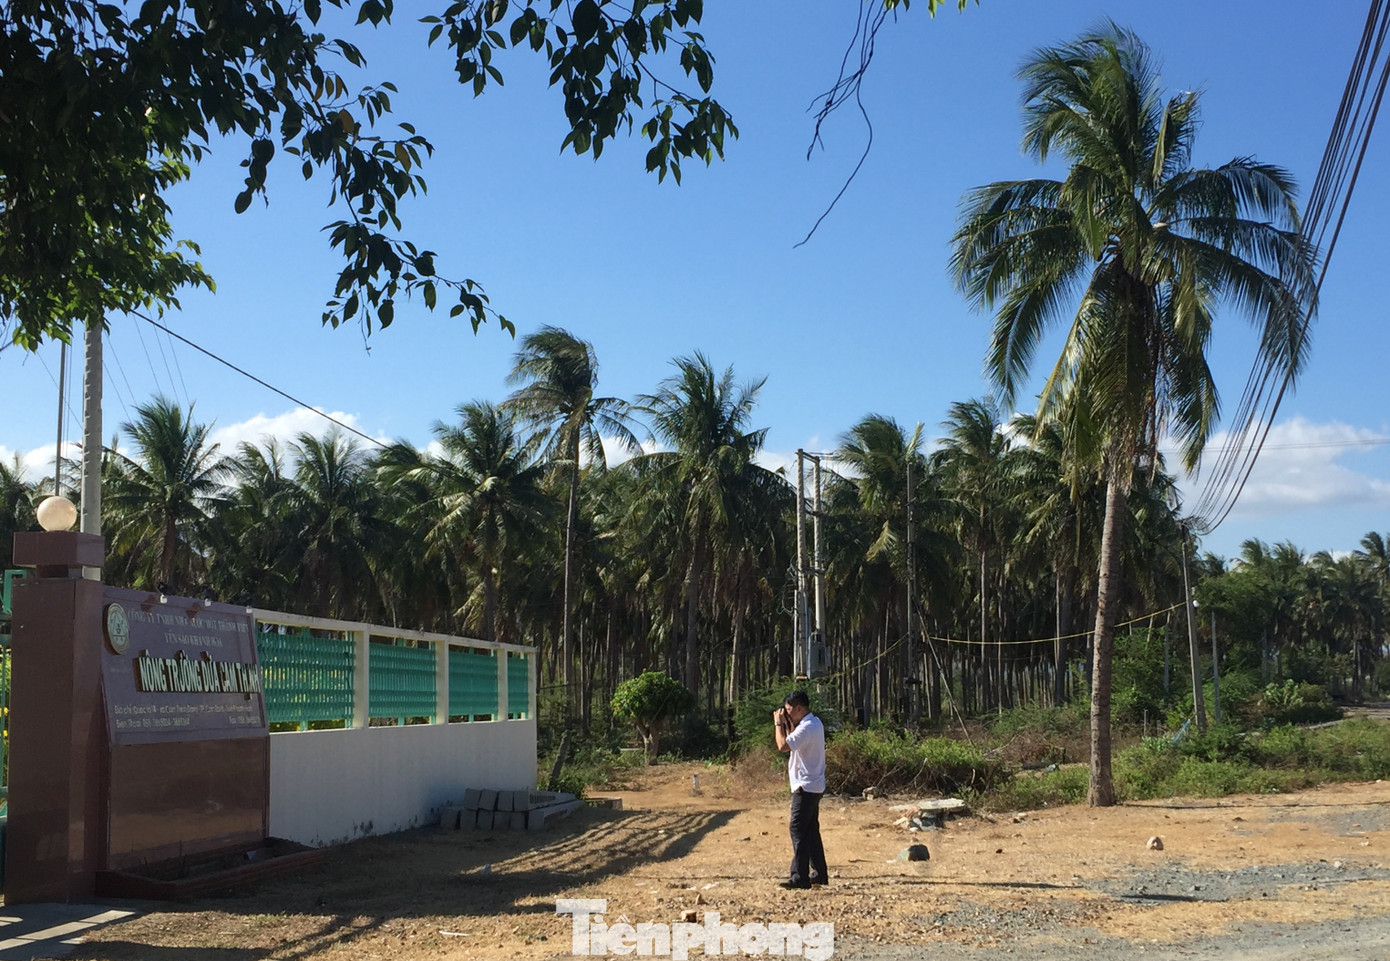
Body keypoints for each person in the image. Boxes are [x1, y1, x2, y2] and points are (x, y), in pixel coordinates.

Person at [772, 689, 827, 889]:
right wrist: (787, 724)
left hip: (805, 786)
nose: (786, 713)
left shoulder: (807, 727)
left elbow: (783, 746)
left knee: (798, 829)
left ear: (799, 708)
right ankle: (819, 873)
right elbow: (793, 741)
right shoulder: (815, 723)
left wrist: (778, 724)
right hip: (814, 785)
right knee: (811, 830)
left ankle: (800, 877)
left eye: (788, 710)